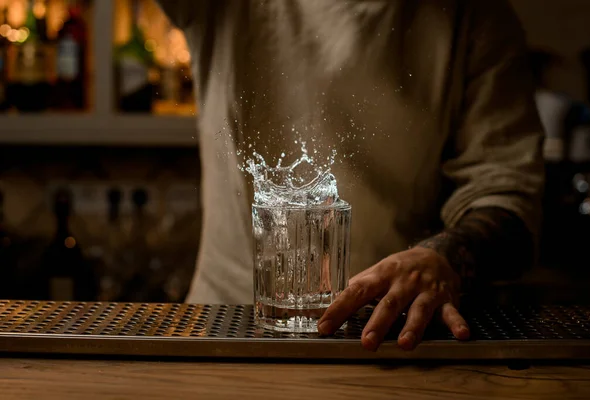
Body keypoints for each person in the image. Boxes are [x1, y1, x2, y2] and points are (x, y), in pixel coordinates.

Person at [156, 0, 544, 351]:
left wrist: (441, 257)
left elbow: (508, 196)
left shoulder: (475, 15)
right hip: (228, 326)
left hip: (392, 336)